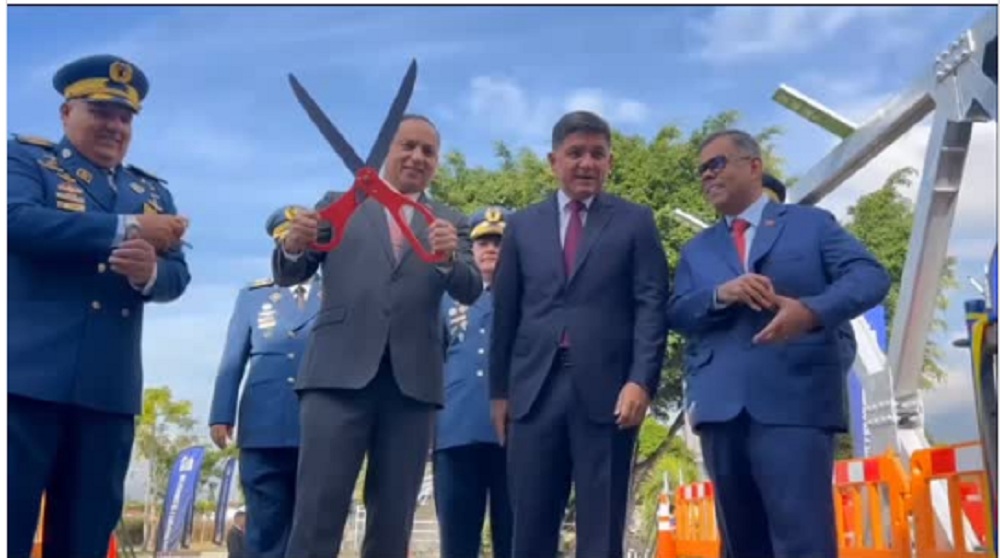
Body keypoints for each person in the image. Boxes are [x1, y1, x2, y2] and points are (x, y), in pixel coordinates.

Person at [668, 129, 890, 558]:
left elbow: (870, 277)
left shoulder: (811, 225)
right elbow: (677, 312)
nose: (707, 175)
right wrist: (720, 295)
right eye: (702, 170)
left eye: (717, 164)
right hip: (720, 410)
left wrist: (810, 311)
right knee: (740, 544)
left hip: (795, 402)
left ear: (754, 166)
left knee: (802, 540)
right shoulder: (697, 250)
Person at [274, 114, 482, 558]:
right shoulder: (339, 203)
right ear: (387, 149)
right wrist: (293, 244)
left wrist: (448, 258)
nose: (417, 157)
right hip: (335, 378)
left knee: (393, 523)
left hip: (412, 388)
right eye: (408, 146)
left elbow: (470, 288)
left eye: (428, 151)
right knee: (316, 515)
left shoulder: (450, 220)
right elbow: (292, 271)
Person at [8, 54, 191, 558]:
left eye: (125, 117)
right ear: (67, 113)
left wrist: (148, 273)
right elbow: (15, 221)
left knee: (86, 541)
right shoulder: (27, 161)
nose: (115, 125)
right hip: (24, 384)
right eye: (101, 111)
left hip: (108, 393)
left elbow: (178, 274)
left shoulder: (152, 192)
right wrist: (126, 228)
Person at [489, 110, 670, 557]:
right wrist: (499, 393)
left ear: (610, 162)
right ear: (553, 161)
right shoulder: (521, 226)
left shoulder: (635, 221)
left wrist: (641, 380)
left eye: (597, 154)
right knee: (529, 524)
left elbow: (651, 306)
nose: (586, 163)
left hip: (610, 395)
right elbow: (506, 314)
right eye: (575, 153)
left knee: (602, 529)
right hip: (533, 393)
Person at [208, 206, 322, 558]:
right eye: (288, 240)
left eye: (301, 239)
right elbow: (233, 358)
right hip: (264, 423)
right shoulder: (253, 296)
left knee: (313, 524)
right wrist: (220, 413)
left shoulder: (335, 291)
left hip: (319, 423)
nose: (295, 245)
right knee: (265, 524)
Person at [434, 206, 514, 558]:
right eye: (483, 242)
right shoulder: (445, 297)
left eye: (498, 242)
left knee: (514, 540)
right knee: (457, 542)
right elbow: (433, 358)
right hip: (456, 430)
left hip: (513, 432)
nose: (491, 249)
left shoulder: (528, 297)